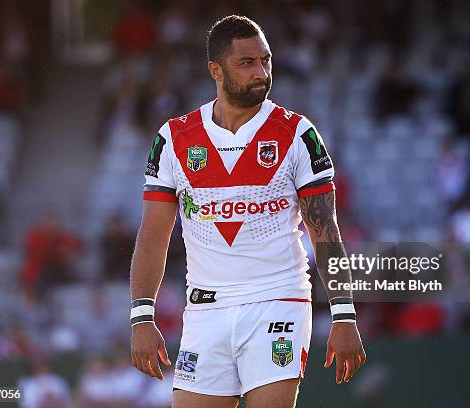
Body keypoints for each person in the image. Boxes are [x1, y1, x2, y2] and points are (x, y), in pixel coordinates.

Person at [130, 15, 366, 408]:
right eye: (247, 63)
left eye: (266, 60)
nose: (261, 72)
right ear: (215, 71)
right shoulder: (174, 138)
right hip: (206, 309)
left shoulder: (297, 134)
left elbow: (325, 230)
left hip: (279, 300)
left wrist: (344, 314)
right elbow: (153, 234)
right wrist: (142, 317)